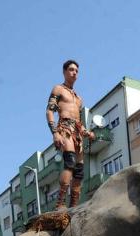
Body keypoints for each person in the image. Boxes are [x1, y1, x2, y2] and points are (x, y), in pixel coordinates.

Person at [46, 59, 95, 210]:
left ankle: (73, 206)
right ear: (64, 72)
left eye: (77, 71)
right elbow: (49, 111)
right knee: (70, 162)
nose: (75, 73)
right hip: (64, 129)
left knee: (79, 171)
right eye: (72, 70)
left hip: (77, 132)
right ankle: (59, 204)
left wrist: (87, 132)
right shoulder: (58, 89)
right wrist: (55, 133)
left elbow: (79, 122)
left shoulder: (79, 99)